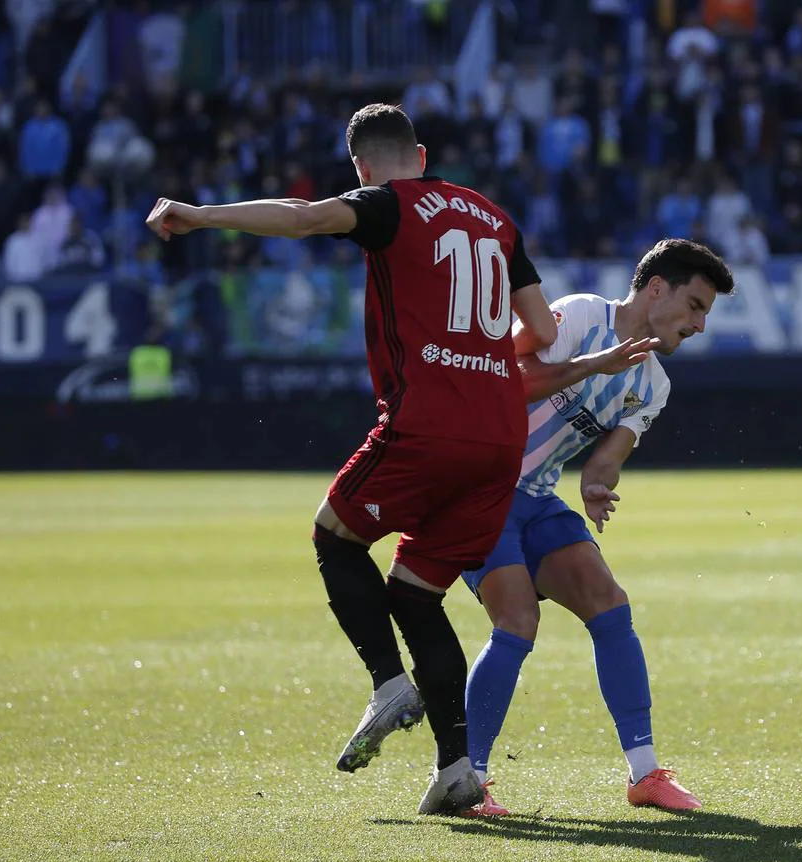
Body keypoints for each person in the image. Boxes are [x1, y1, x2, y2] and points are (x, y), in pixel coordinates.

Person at [145, 103, 561, 815]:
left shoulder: (385, 204)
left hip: (428, 426)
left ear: (361, 168)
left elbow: (306, 219)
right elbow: (544, 329)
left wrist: (204, 215)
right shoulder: (495, 218)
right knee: (415, 592)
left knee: (333, 537)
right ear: (421, 153)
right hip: (499, 440)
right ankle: (458, 767)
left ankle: (387, 682)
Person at [459, 239, 735, 817]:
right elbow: (504, 374)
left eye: (705, 313)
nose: (700, 324)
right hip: (477, 489)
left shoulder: (653, 384)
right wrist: (590, 365)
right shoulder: (582, 314)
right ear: (655, 288)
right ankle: (470, 778)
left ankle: (645, 774)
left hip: (535, 499)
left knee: (610, 606)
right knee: (518, 620)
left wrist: (595, 486)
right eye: (695, 305)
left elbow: (608, 457)